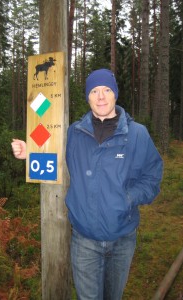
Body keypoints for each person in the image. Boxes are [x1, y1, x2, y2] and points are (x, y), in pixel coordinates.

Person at [11, 69, 163, 300]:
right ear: (87, 97)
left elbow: (152, 177)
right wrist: (28, 152)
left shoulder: (137, 134)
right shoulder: (74, 132)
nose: (100, 96)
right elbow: (50, 152)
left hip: (122, 238)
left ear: (115, 95)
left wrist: (129, 198)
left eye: (106, 90)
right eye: (94, 91)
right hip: (85, 241)